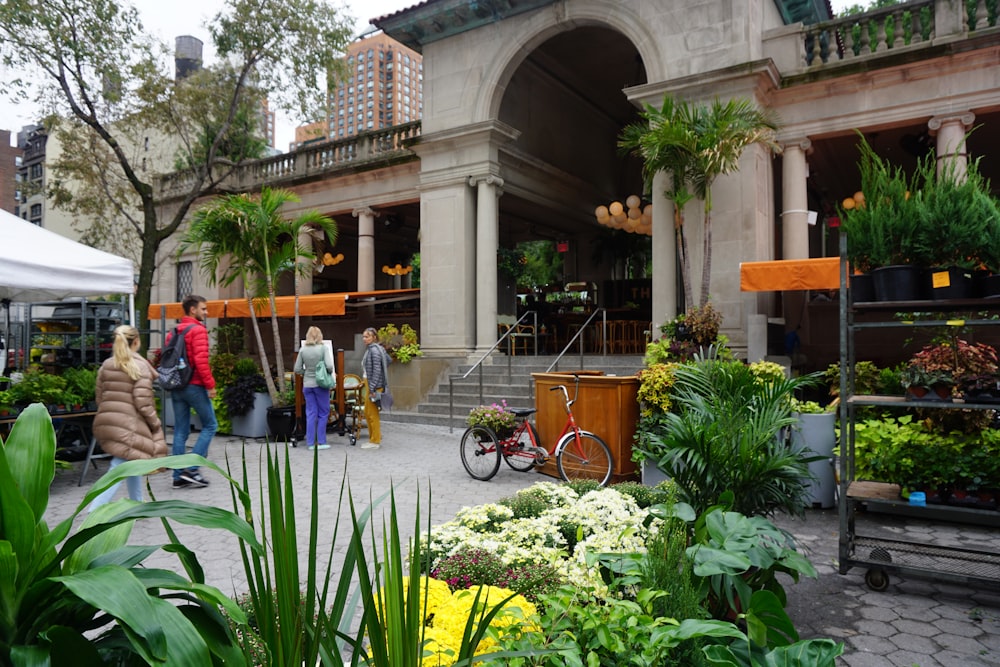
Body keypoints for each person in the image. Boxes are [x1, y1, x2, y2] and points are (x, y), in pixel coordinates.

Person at [89, 325, 167, 509]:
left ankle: (136, 502)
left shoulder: (107, 365)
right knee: (119, 464)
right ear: (137, 342)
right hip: (130, 424)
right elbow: (143, 402)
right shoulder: (139, 366)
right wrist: (155, 423)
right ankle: (96, 508)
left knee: (132, 460)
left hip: (107, 421)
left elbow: (99, 396)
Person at [169, 294, 217, 488]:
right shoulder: (198, 330)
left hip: (177, 385)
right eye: (203, 309)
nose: (206, 312)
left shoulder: (173, 332)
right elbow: (201, 361)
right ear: (193, 310)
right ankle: (193, 469)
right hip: (195, 385)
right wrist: (210, 385)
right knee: (210, 425)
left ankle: (178, 475)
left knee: (180, 431)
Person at [294, 326, 335, 450]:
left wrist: (306, 372)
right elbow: (329, 366)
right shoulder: (323, 348)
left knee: (311, 413)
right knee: (323, 413)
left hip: (307, 384)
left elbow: (297, 369)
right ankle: (321, 441)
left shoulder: (303, 350)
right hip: (321, 384)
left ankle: (310, 443)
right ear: (319, 336)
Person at [360, 326, 390, 450]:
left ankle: (375, 440)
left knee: (372, 413)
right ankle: (373, 438)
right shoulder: (377, 349)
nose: (364, 339)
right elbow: (388, 360)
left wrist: (372, 388)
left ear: (374, 337)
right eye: (364, 336)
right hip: (371, 383)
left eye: (367, 336)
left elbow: (377, 370)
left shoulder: (374, 350)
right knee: (368, 412)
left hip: (374, 385)